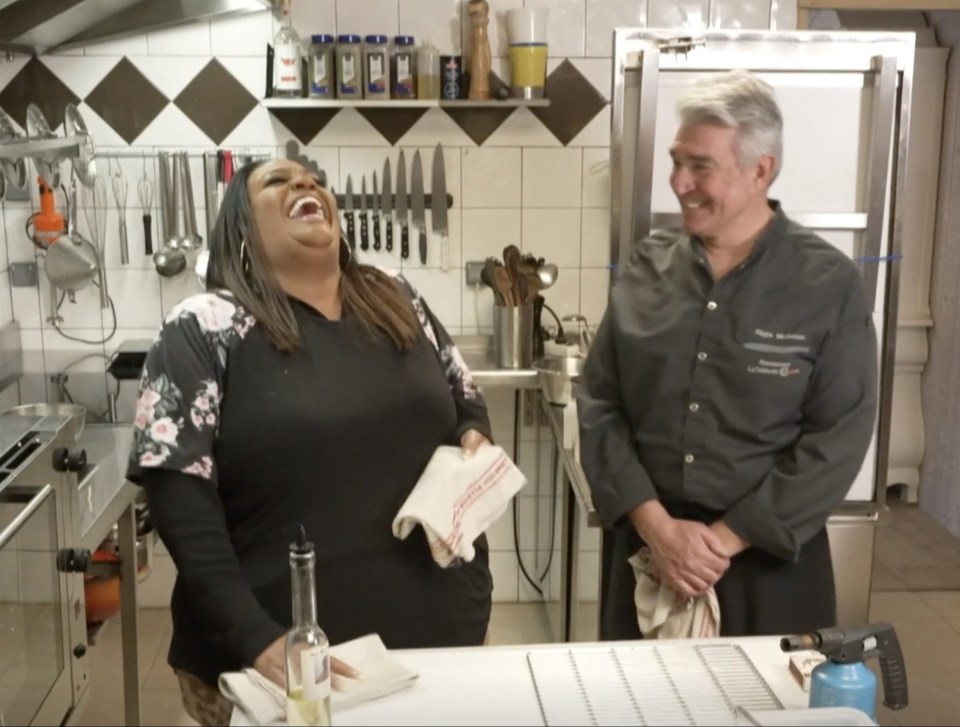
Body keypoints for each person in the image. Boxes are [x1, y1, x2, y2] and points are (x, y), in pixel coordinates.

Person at [127, 158, 494, 726]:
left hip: (438, 647)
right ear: (242, 229)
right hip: (278, 672)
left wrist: (474, 434)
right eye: (277, 180)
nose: (305, 183)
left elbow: (463, 395)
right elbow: (180, 499)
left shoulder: (398, 299)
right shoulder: (204, 327)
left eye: (316, 179)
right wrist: (255, 638)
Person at [577, 70, 878, 640]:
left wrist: (721, 540)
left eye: (701, 166)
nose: (680, 182)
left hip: (768, 566)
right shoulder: (646, 268)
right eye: (676, 162)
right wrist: (658, 528)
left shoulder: (827, 284)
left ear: (761, 169)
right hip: (649, 554)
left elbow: (837, 436)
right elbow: (599, 403)